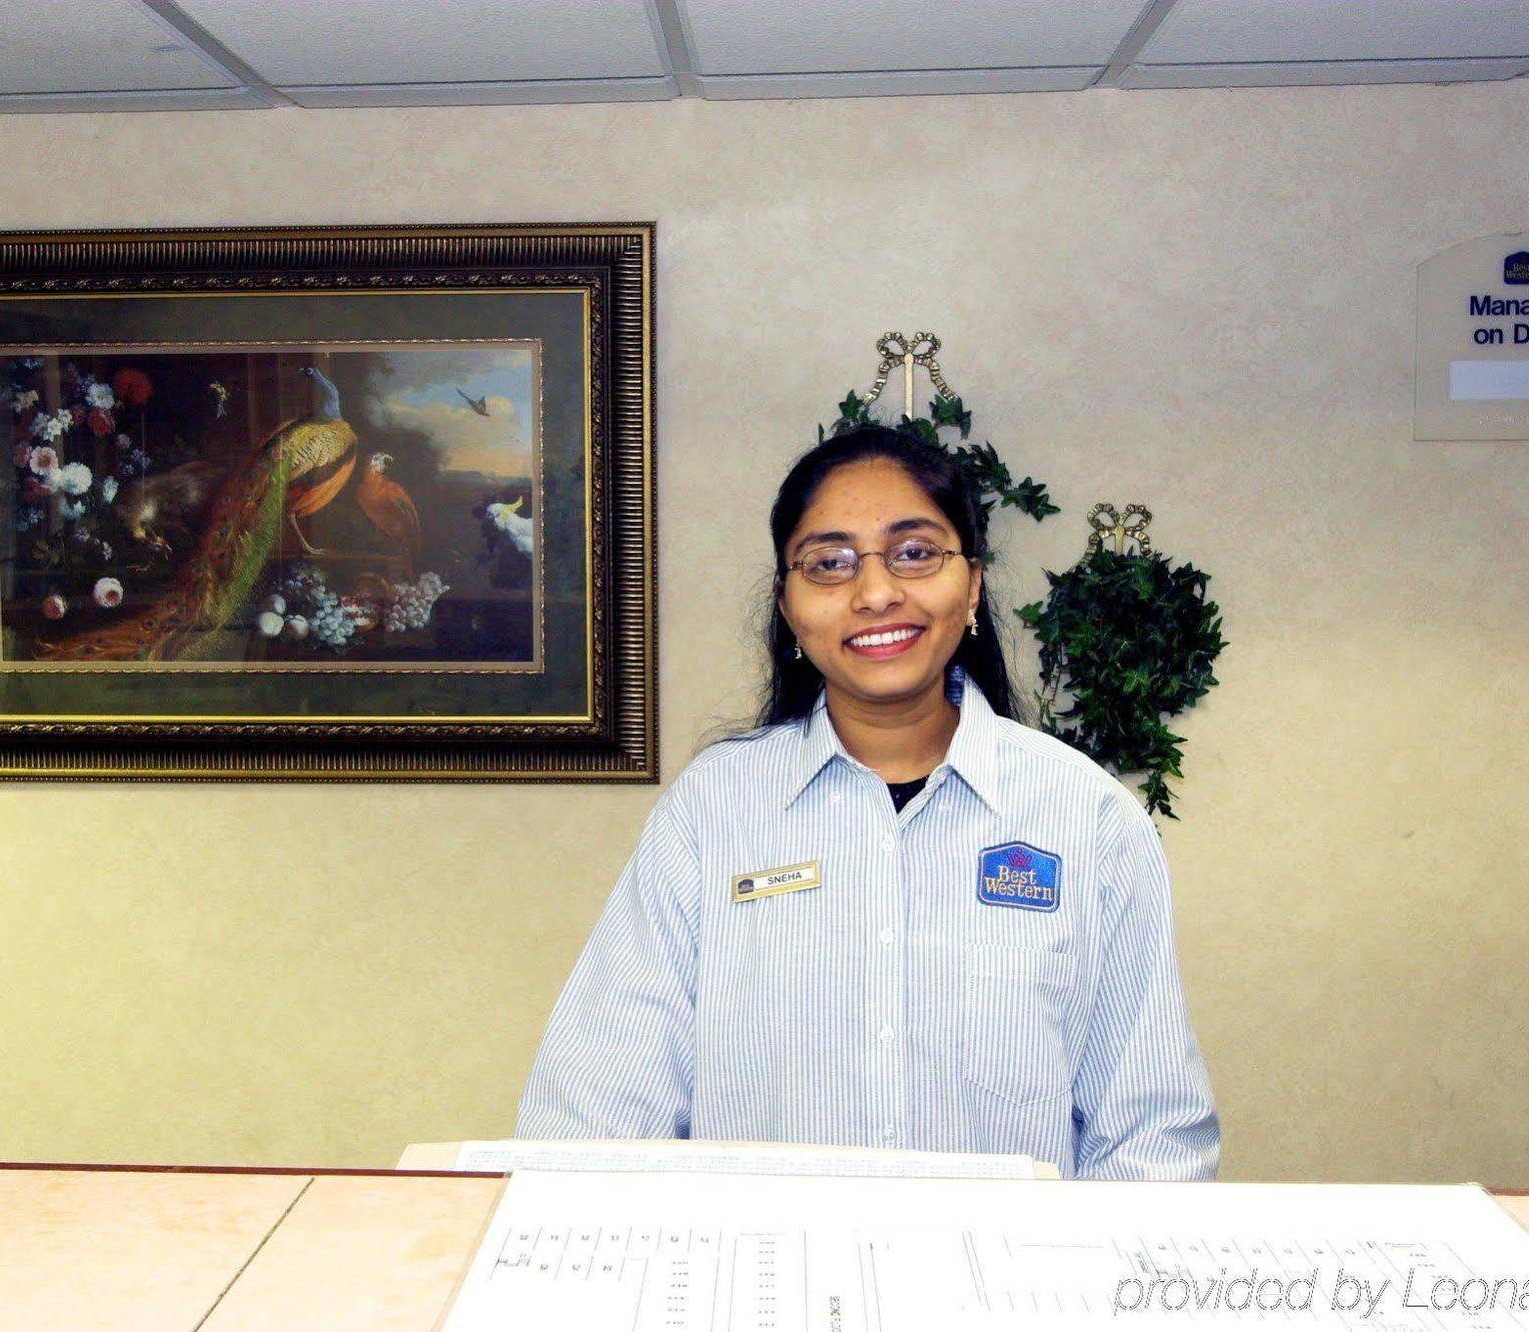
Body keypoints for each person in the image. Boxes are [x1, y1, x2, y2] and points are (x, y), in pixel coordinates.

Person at [516, 424, 1219, 1180]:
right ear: (787, 607)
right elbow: (597, 1111)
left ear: (973, 583)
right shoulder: (713, 813)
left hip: (1007, 1292)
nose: (877, 591)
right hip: (769, 1286)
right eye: (830, 563)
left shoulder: (1087, 819)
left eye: (916, 552)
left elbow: (1149, 1137)